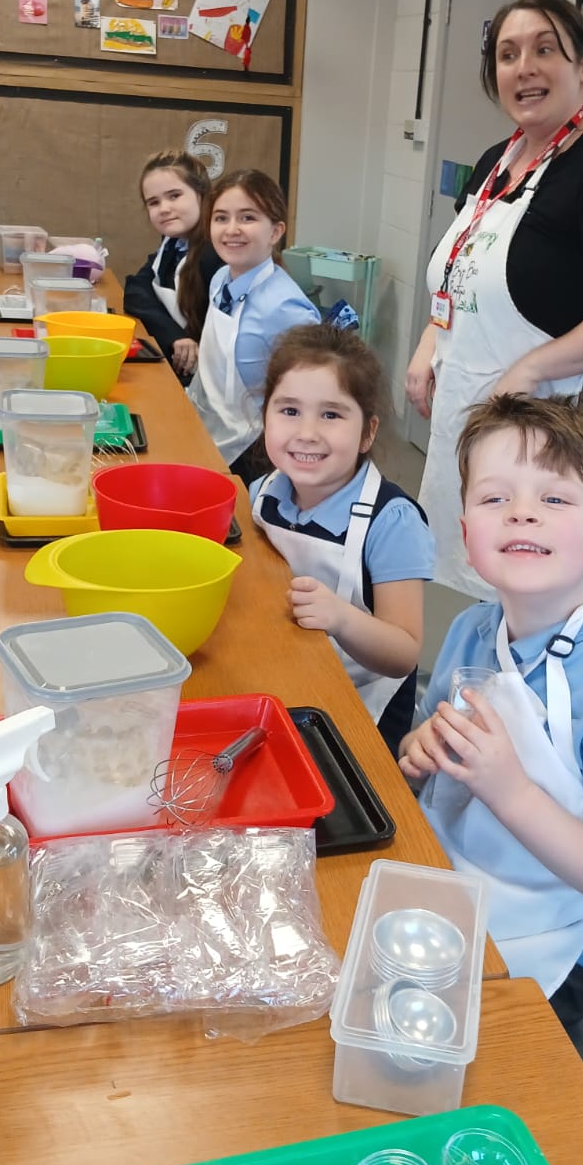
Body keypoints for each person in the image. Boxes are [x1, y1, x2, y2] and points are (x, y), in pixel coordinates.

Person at [399, 393, 583, 1028]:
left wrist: (511, 793)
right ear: (467, 534)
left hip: (552, 951)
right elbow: (430, 750)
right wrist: (421, 749)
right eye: (495, 498)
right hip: (448, 885)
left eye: (554, 499)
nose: (522, 513)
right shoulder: (472, 631)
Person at [405, 0, 583, 596]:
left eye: (544, 50)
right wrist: (430, 342)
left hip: (562, 425)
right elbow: (464, 272)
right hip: (476, 415)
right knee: (488, 587)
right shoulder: (496, 161)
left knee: (543, 598)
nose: (524, 68)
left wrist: (533, 367)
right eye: (508, 55)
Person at [250, 324, 435, 757]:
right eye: (289, 410)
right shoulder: (264, 492)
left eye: (331, 415)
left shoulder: (392, 522)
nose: (307, 432)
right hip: (286, 683)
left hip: (358, 720)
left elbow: (404, 652)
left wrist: (341, 618)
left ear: (368, 433)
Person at [188, 169, 320, 482]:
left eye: (247, 218)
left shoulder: (287, 308)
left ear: (275, 232)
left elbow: (312, 396)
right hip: (209, 427)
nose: (231, 229)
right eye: (221, 218)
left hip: (258, 452)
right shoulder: (221, 279)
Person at [123, 150, 222, 382]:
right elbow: (137, 290)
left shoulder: (217, 253)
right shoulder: (172, 245)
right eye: (153, 202)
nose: (164, 208)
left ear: (201, 194)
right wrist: (175, 336)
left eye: (174, 196)